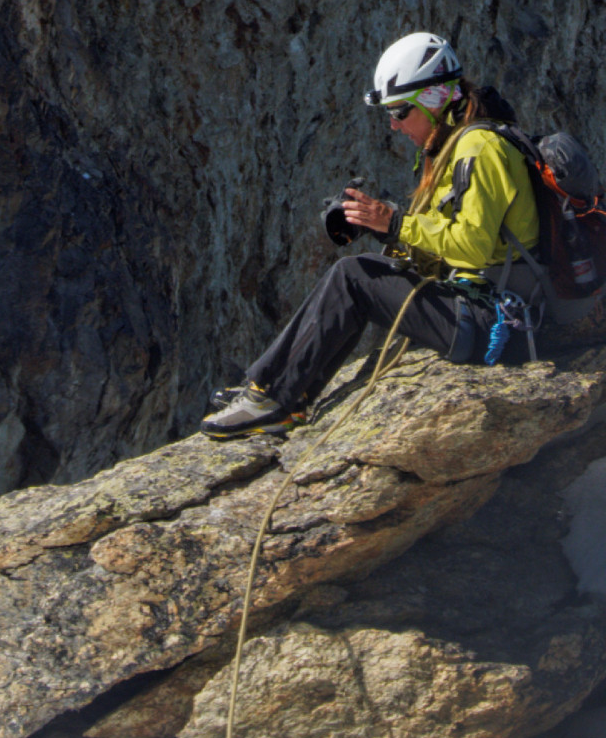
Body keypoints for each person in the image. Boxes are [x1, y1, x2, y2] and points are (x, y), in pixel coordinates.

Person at [202, 31, 541, 438]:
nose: (394, 125)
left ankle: (273, 398)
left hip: (494, 322)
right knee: (360, 276)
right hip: (490, 312)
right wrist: (382, 230)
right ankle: (282, 392)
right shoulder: (458, 145)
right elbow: (449, 248)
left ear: (434, 99)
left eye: (400, 112)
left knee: (353, 277)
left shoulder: (480, 148)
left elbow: (472, 246)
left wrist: (395, 223)